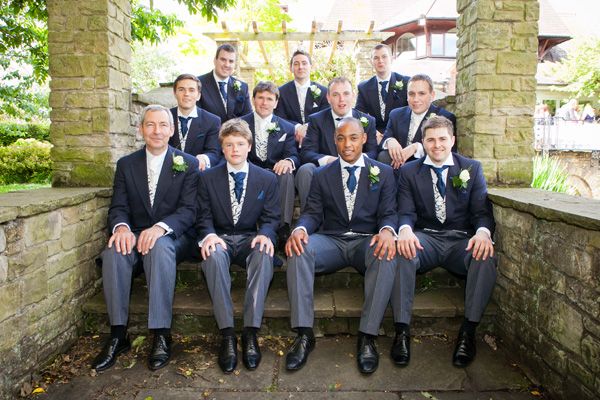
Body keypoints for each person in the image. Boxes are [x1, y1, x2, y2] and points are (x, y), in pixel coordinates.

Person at [285, 117, 398, 374]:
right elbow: (312, 213)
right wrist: (300, 229)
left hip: (365, 240)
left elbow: (389, 212)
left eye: (353, 138)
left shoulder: (384, 172)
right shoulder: (321, 174)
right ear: (334, 141)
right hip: (332, 240)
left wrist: (387, 231)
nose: (347, 144)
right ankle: (304, 334)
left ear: (364, 139)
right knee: (299, 249)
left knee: (386, 253)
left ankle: (367, 336)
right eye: (341, 138)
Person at [92, 105, 199, 372]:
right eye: (150, 124)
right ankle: (118, 335)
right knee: (114, 251)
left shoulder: (188, 163)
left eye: (163, 125)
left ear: (172, 130)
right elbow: (118, 207)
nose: (156, 131)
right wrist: (121, 229)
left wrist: (160, 228)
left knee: (159, 247)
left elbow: (189, 210)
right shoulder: (126, 164)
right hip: (136, 232)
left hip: (173, 236)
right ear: (141, 129)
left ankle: (161, 333)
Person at [392, 115, 496, 369]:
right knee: (402, 251)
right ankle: (402, 330)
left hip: (461, 240)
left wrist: (483, 233)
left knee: (485, 255)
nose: (436, 145)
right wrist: (404, 230)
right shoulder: (408, 172)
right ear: (423, 142)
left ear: (452, 140)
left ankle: (468, 331)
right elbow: (405, 210)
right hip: (425, 238)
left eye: (442, 139)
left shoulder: (471, 168)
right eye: (430, 140)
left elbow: (481, 212)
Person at [196, 119, 280, 373]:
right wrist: (209, 235)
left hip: (248, 237)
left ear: (249, 146)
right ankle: (227, 334)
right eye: (229, 144)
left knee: (264, 252)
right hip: (220, 236)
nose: (235, 149)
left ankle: (251, 332)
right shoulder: (207, 178)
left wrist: (265, 234)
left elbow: (272, 217)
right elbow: (202, 215)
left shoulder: (267, 179)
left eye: (240, 144)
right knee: (212, 255)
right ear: (222, 148)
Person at [296, 77, 377, 210]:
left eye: (346, 93)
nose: (341, 99)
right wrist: (329, 160)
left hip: (356, 170)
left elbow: (373, 152)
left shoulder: (367, 121)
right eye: (335, 95)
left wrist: (355, 160)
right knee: (305, 170)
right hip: (326, 172)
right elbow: (306, 153)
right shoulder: (316, 120)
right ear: (328, 98)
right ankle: (310, 215)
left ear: (353, 96)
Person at [241, 81, 299, 245]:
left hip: (274, 172)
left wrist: (288, 161)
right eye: (260, 98)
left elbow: (293, 154)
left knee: (286, 173)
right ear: (253, 99)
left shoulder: (286, 127)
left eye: (269, 99)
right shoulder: (240, 124)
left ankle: (282, 228)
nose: (264, 103)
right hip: (249, 170)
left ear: (276, 103)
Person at [380, 74, 456, 169]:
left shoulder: (445, 117)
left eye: (421, 94)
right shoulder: (396, 114)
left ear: (432, 95)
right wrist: (390, 140)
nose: (415, 99)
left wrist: (417, 147)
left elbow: (447, 151)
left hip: (424, 169)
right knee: (383, 156)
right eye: (411, 94)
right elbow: (384, 138)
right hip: (397, 166)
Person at [355, 44, 409, 143]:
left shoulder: (406, 82)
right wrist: (372, 131)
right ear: (371, 62)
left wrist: (390, 137)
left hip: (400, 137)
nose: (380, 61)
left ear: (391, 58)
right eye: (376, 58)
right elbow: (358, 114)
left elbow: (411, 112)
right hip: (375, 138)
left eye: (384, 56)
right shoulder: (364, 87)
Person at [274, 50, 329, 146]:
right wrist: (297, 127)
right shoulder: (281, 92)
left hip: (317, 142)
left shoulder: (324, 92)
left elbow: (325, 116)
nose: (300, 67)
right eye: (296, 64)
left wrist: (307, 127)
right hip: (290, 142)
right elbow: (279, 117)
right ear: (291, 68)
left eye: (304, 63)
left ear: (311, 66)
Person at [170, 73, 221, 170]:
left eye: (191, 90)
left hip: (197, 174)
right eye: (181, 89)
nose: (186, 94)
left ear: (198, 96)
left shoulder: (213, 121)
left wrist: (204, 158)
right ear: (175, 93)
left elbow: (214, 152)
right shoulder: (164, 117)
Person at [198, 44, 252, 123]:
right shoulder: (199, 83)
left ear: (234, 64)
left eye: (231, 61)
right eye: (223, 60)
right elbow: (196, 117)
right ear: (215, 60)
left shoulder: (243, 87)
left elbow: (248, 118)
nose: (227, 65)